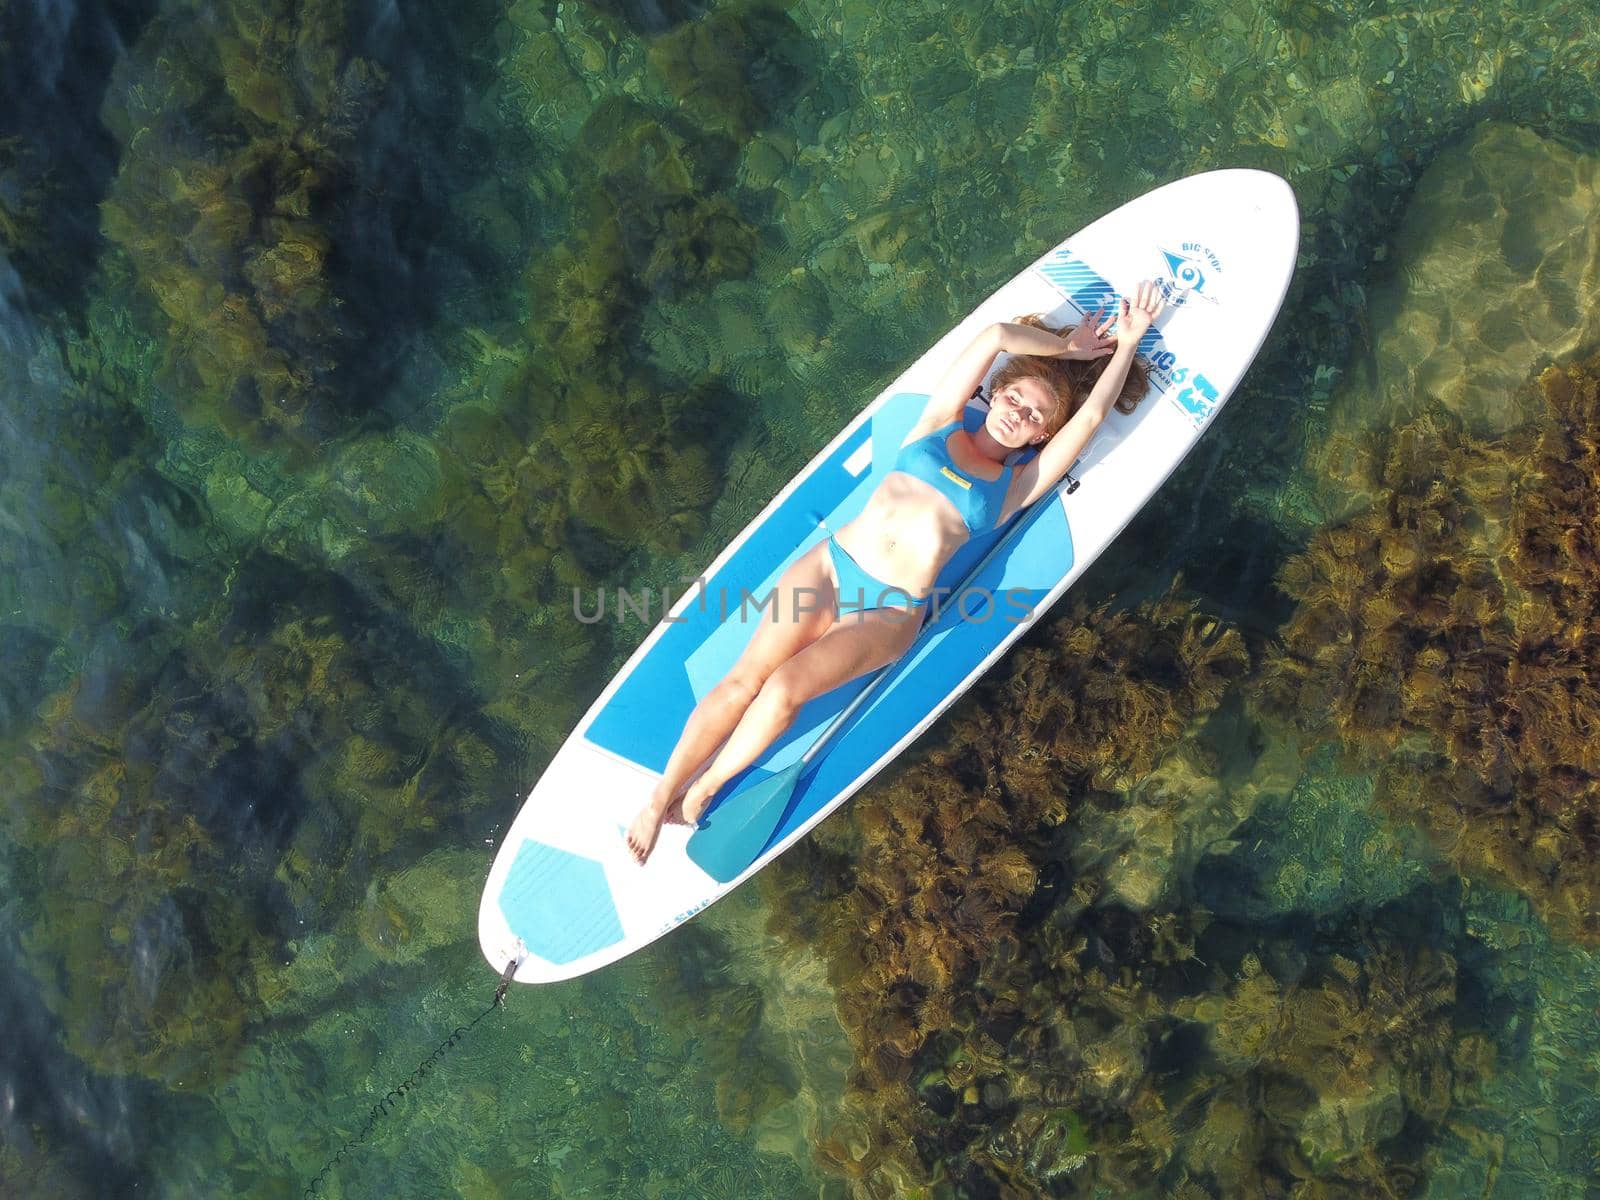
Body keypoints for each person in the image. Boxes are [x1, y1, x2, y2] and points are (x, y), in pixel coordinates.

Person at [624, 281, 1166, 862]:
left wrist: (1129, 344)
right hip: (831, 567)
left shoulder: (1013, 487)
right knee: (741, 681)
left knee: (784, 690)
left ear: (1042, 435)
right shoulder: (937, 423)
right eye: (1016, 400)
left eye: (1036, 416)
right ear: (997, 391)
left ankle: (703, 789)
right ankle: (658, 798)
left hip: (889, 611)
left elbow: (1087, 424)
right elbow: (995, 336)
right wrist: (1067, 350)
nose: (1020, 415)